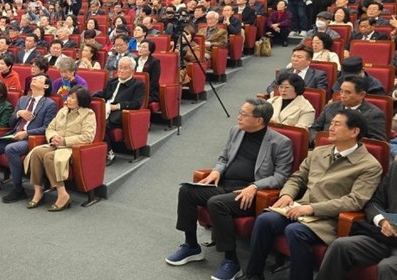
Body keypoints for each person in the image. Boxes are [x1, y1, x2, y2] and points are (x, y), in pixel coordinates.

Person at [239, 110, 382, 280]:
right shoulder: (319, 152)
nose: (330, 128)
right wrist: (287, 194)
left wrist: (312, 208)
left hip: (329, 219)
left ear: (354, 131)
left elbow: (355, 201)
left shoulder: (369, 165)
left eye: (337, 124)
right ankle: (253, 274)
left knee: (295, 230)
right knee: (265, 220)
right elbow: (297, 178)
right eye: (331, 123)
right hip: (299, 208)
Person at [166, 98, 293, 280]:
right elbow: (224, 157)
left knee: (216, 203)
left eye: (244, 114)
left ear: (259, 120)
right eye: (240, 112)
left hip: (249, 194)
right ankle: (191, 246)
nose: (238, 117)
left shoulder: (280, 142)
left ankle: (231, 261)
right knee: (186, 191)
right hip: (225, 185)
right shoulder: (236, 131)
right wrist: (217, 171)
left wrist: (255, 186)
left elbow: (281, 176)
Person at [0, 74, 57, 203]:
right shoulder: (23, 100)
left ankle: (18, 188)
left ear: (46, 86)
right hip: (15, 134)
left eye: (39, 79)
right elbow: (11, 122)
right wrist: (19, 113)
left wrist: (26, 133)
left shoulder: (49, 104)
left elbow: (47, 128)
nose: (34, 79)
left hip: (31, 139)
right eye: (34, 78)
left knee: (11, 149)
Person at [316, 162, 397, 279]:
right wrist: (382, 221)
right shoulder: (395, 167)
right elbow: (374, 202)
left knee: (387, 267)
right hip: (385, 237)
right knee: (340, 246)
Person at [24, 86, 96, 211]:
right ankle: (38, 190)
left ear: (81, 100)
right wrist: (53, 137)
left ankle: (63, 194)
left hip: (72, 147)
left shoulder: (88, 114)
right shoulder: (62, 111)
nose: (68, 99)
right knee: (36, 153)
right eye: (69, 97)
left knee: (49, 157)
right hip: (56, 144)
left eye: (73, 98)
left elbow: (87, 137)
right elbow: (50, 128)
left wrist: (64, 141)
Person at [93, 57, 145, 165]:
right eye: (120, 67)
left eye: (125, 68)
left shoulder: (138, 85)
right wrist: (89, 97)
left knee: (101, 126)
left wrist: (117, 106)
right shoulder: (113, 81)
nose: (121, 70)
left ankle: (109, 153)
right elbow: (103, 94)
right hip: (105, 109)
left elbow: (136, 103)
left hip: (120, 112)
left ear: (132, 71)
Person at [310, 75, 387, 145]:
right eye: (341, 91)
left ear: (362, 95)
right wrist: (317, 141)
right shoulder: (330, 107)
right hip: (323, 149)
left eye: (347, 92)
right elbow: (314, 128)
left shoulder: (374, 114)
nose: (342, 95)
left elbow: (377, 142)